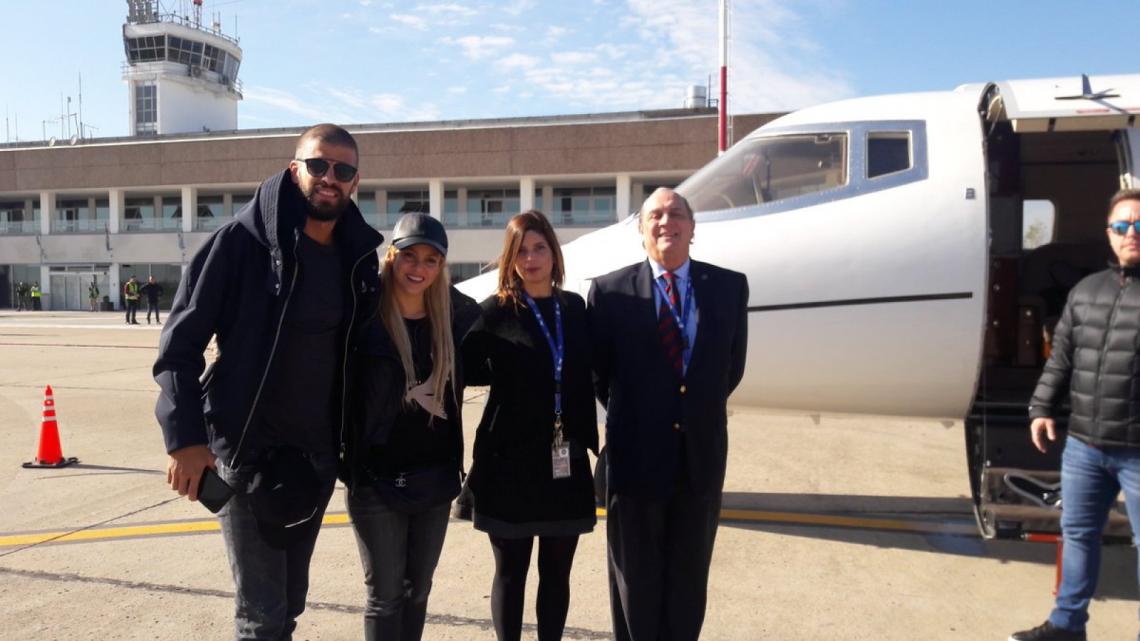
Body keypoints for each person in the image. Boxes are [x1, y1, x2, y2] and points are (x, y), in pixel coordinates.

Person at [153, 124, 383, 641]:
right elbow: (179, 347)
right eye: (319, 165)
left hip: (317, 460)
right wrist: (185, 440)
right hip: (246, 455)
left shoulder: (358, 258)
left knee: (289, 607)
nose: (330, 178)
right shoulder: (240, 244)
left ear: (355, 183)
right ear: (293, 168)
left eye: (342, 171)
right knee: (262, 618)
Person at [588, 187, 748, 641]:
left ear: (692, 229)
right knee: (635, 583)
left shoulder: (729, 288)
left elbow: (728, 370)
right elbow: (601, 377)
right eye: (654, 215)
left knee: (688, 582)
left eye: (676, 213)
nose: (666, 222)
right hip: (634, 462)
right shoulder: (610, 292)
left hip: (699, 460)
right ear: (641, 230)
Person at [1009, 188, 1140, 641]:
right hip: (1085, 445)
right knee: (1079, 535)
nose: (1131, 234)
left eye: (1139, 225)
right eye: (1121, 226)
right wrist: (1041, 407)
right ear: (1109, 234)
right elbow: (1061, 357)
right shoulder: (1086, 291)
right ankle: (1067, 626)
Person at [461, 210, 598, 641]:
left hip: (564, 461)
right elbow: (459, 369)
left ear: (555, 254)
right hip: (508, 466)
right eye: (521, 250)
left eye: (540, 248)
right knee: (511, 573)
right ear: (510, 258)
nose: (531, 257)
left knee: (557, 573)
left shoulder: (574, 309)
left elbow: (592, 373)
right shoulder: (494, 313)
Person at [343, 212, 478, 641]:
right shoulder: (361, 317)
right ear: (391, 257)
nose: (418, 268)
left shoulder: (455, 318)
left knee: (418, 591)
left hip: (434, 477)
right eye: (409, 256)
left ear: (442, 268)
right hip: (374, 478)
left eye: (431, 260)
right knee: (385, 594)